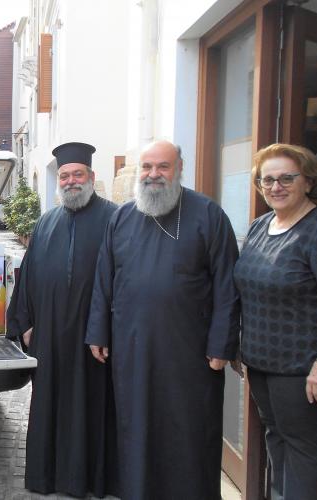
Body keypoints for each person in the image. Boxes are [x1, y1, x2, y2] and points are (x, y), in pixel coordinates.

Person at [85, 140, 240, 500]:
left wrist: (222, 344)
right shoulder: (121, 218)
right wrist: (98, 332)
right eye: (147, 167)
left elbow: (227, 284)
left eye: (163, 167)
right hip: (133, 349)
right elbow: (104, 279)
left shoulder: (209, 215)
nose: (153, 174)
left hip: (190, 353)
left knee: (189, 433)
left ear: (179, 169)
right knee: (136, 429)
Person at [234, 144, 317, 500]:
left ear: (308, 181)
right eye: (268, 180)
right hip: (261, 363)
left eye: (287, 178)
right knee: (276, 438)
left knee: (302, 447)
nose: (276, 186)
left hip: (303, 369)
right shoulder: (260, 226)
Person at [7, 142, 119, 497]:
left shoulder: (116, 219)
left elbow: (125, 279)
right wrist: (25, 324)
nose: (71, 181)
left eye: (78, 175)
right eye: (65, 176)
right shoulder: (46, 222)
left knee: (93, 408)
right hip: (51, 335)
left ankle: (92, 480)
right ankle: (49, 477)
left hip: (94, 338)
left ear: (92, 177)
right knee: (50, 405)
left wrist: (109, 330)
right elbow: (27, 277)